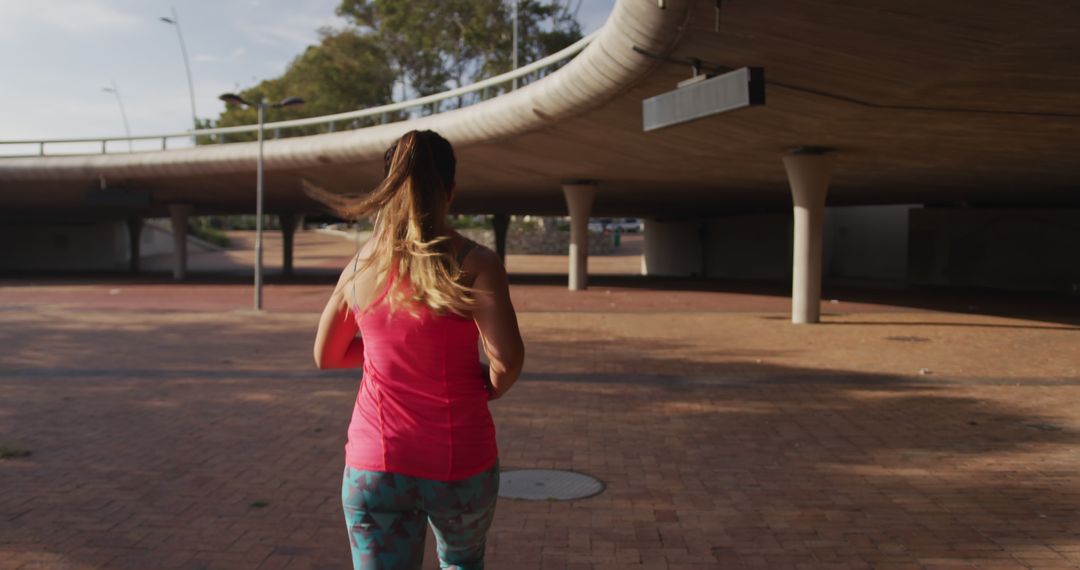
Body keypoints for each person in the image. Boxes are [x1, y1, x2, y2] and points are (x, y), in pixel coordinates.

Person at [311, 129, 524, 570]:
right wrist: (489, 386)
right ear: (450, 191)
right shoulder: (476, 263)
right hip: (461, 461)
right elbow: (506, 360)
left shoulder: (362, 263)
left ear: (390, 191)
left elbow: (326, 355)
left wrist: (379, 353)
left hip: (376, 465)